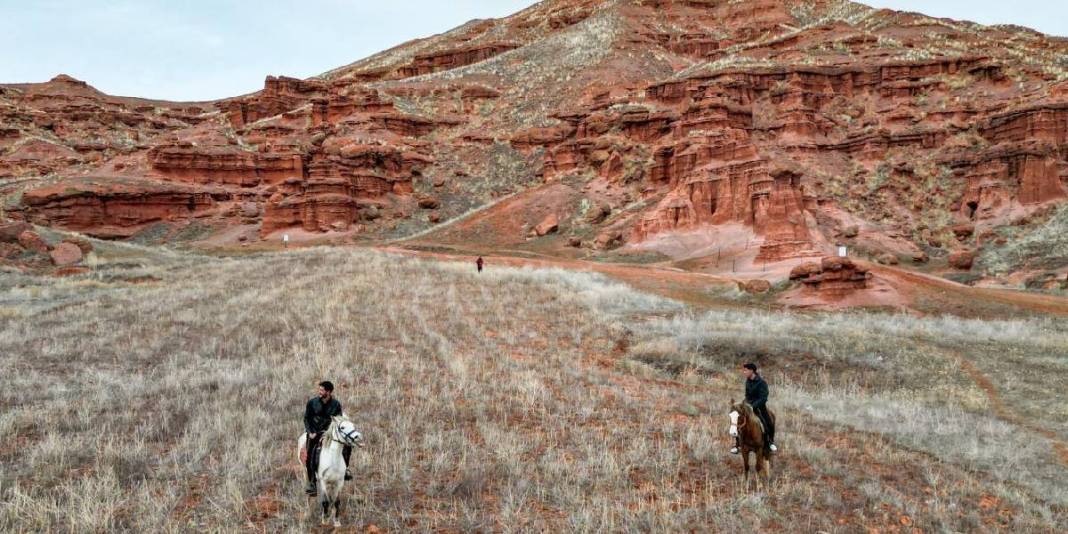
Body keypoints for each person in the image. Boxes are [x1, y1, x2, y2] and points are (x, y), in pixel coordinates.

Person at [303, 381, 352, 495]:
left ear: (328, 392)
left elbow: (339, 420)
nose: (319, 392)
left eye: (322, 390)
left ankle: (346, 470)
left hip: (330, 433)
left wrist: (333, 432)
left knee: (348, 445)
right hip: (314, 433)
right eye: (319, 390)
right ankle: (312, 483)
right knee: (310, 454)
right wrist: (310, 432)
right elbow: (306, 418)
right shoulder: (312, 403)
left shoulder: (336, 404)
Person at [731, 362, 777, 454]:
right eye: (744, 370)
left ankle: (770, 443)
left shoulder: (762, 383)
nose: (744, 372)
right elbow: (747, 395)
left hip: (759, 407)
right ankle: (737, 445)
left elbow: (763, 398)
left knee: (768, 423)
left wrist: (753, 406)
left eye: (745, 370)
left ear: (752, 371)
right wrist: (744, 404)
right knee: (737, 419)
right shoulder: (748, 381)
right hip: (748, 405)